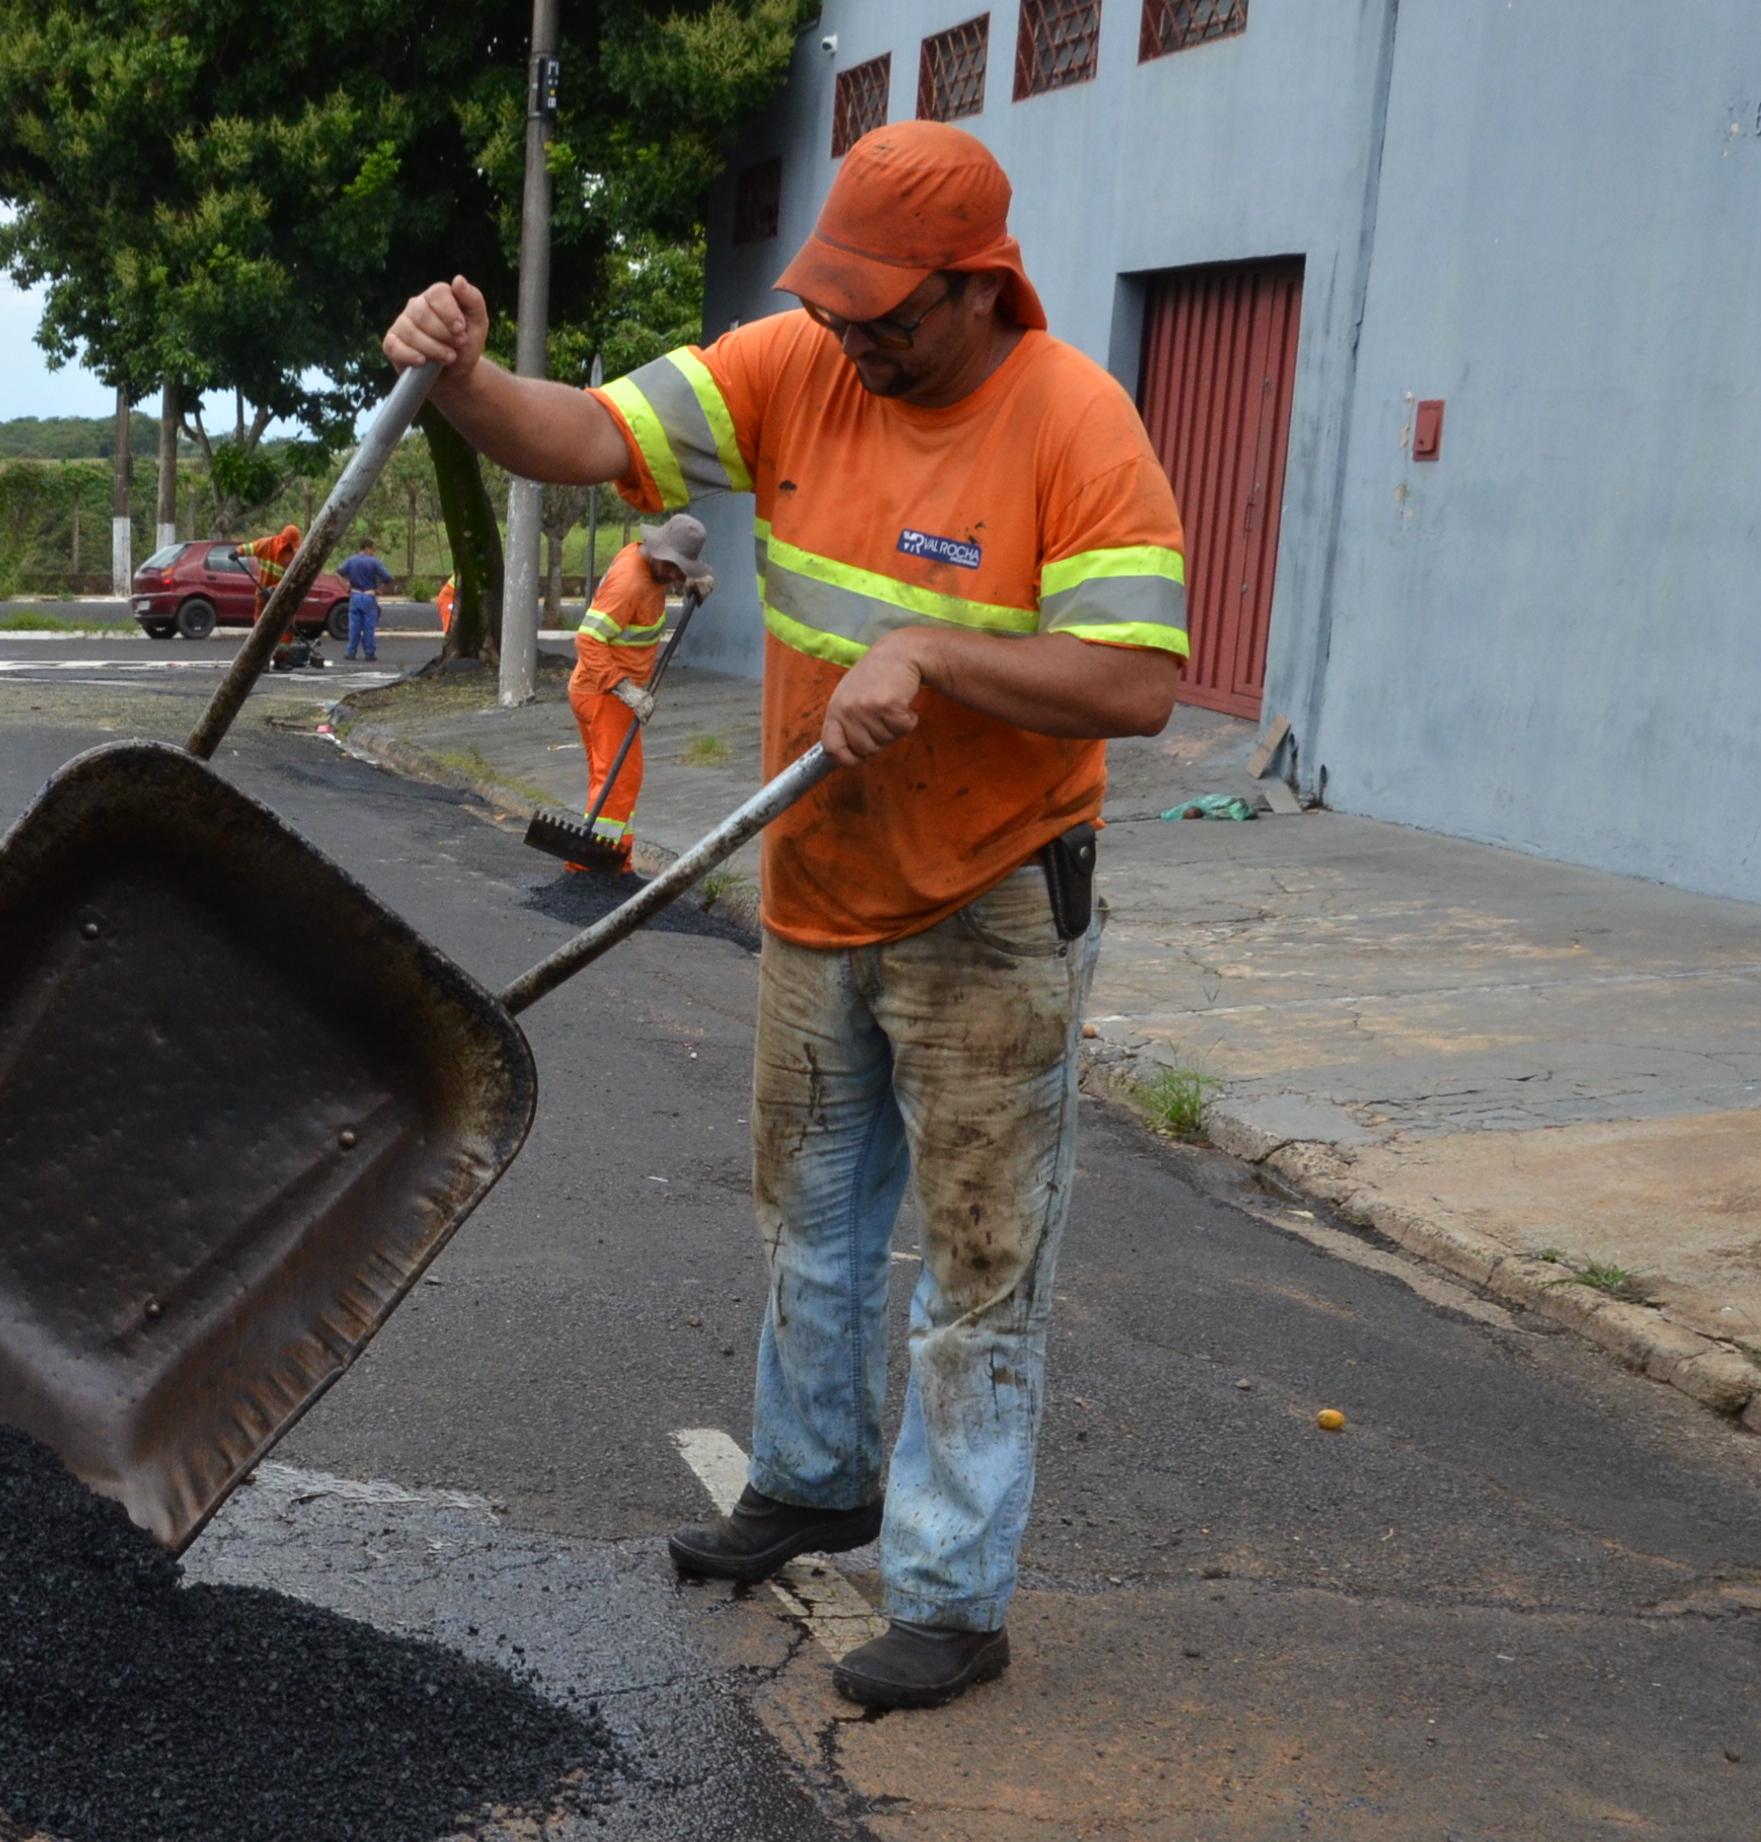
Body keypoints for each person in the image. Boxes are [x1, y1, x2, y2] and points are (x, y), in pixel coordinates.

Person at [382, 120, 1187, 1712]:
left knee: (975, 1269)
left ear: (979, 287)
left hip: (991, 907)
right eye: (837, 307)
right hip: (818, 887)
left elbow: (1140, 682)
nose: (853, 338)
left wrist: (939, 657)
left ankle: (953, 1598)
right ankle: (816, 1477)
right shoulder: (796, 365)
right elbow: (589, 436)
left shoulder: (1075, 424)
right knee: (807, 1224)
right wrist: (465, 381)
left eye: (886, 314)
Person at [554, 513, 711, 869]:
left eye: (681, 569)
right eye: (673, 567)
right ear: (657, 550)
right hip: (605, 695)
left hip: (596, 690)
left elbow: (671, 575)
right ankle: (588, 867)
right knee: (619, 782)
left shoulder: (647, 561)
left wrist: (693, 580)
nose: (674, 575)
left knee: (610, 781)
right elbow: (588, 640)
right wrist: (624, 688)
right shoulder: (629, 583)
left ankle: (613, 861)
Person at [337, 536, 393, 660]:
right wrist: (380, 590)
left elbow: (339, 573)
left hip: (355, 595)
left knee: (354, 626)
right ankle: (369, 652)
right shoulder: (375, 562)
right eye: (373, 550)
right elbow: (387, 577)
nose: (373, 553)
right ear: (367, 548)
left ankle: (351, 652)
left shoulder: (351, 560)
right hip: (369, 595)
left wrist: (346, 586)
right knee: (369, 626)